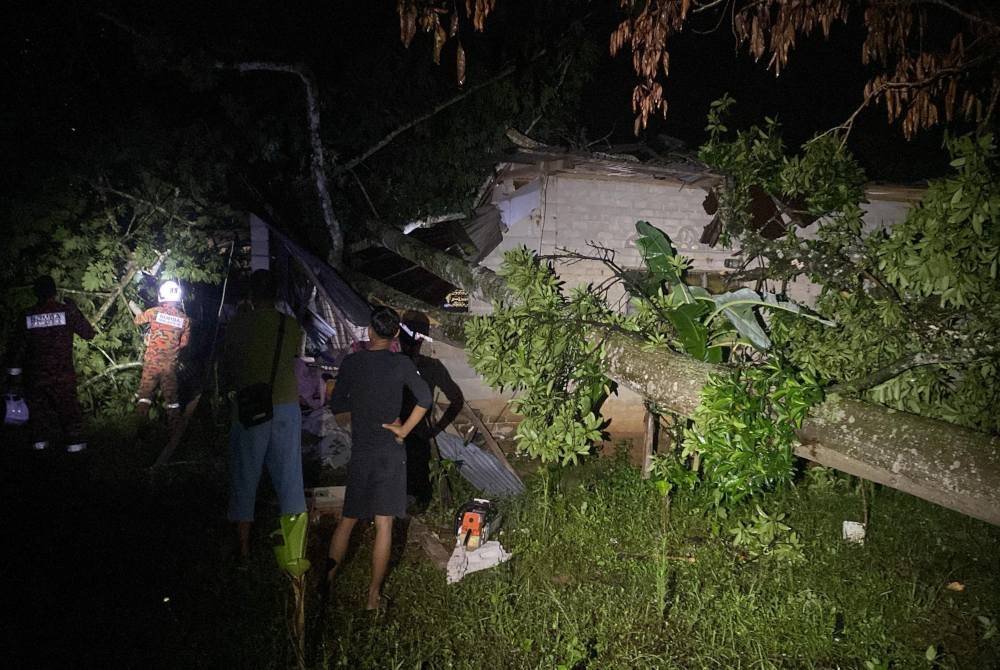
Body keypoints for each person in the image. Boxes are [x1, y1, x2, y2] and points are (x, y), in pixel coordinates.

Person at [324, 306, 432, 610]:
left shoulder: (353, 363)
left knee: (348, 520)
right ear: (396, 334)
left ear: (370, 332)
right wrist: (403, 431)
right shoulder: (401, 364)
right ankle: (373, 596)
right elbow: (425, 399)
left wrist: (359, 417)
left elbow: (338, 406)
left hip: (363, 449)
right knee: (384, 524)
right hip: (389, 450)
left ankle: (326, 583)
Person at [221, 270, 306, 559]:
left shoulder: (238, 324)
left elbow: (230, 363)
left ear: (251, 295)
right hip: (285, 405)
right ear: (277, 295)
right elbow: (293, 356)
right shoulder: (291, 325)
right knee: (290, 476)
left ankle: (243, 549)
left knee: (245, 474)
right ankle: (295, 550)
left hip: (249, 405)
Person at [17, 275, 96, 452]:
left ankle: (40, 454)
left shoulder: (27, 316)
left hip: (36, 376)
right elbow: (89, 333)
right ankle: (76, 453)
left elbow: (17, 348)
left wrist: (13, 376)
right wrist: (75, 310)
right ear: (54, 292)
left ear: (36, 293)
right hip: (63, 375)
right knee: (69, 413)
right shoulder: (67, 312)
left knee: (38, 415)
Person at [398, 311, 464, 511]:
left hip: (402, 435)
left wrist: (435, 429)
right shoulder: (429, 366)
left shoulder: (392, 364)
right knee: (415, 491)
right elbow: (457, 400)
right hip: (414, 435)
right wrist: (436, 428)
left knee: (409, 491)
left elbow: (457, 400)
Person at [134, 280, 191, 431]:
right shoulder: (184, 320)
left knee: (144, 396)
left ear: (161, 296)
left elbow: (138, 320)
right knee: (172, 399)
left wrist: (135, 308)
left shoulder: (154, 312)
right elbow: (184, 343)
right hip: (169, 367)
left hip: (151, 364)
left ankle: (140, 430)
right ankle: (174, 429)